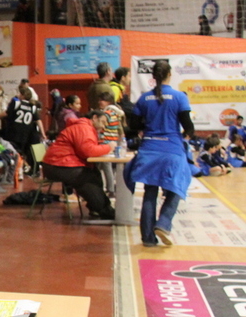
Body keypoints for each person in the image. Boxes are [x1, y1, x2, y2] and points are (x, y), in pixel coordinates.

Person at [124, 60, 195, 247]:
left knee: (150, 193)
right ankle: (163, 223)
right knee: (176, 188)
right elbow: (189, 127)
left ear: (153, 77)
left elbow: (133, 125)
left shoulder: (144, 98)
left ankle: (147, 238)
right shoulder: (179, 97)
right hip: (172, 150)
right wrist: (184, 134)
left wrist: (146, 128)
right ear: (169, 74)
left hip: (149, 150)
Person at [41, 111, 115, 219]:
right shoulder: (83, 128)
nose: (103, 127)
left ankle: (97, 208)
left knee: (94, 173)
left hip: (58, 164)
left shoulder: (84, 127)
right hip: (57, 166)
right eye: (102, 122)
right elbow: (88, 151)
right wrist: (109, 147)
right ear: (94, 118)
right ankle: (104, 210)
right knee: (87, 178)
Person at [3, 91, 44, 172]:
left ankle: (21, 168)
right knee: (31, 153)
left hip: (14, 133)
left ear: (22, 95)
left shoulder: (16, 103)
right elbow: (39, 121)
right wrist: (43, 133)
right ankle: (35, 168)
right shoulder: (33, 107)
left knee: (16, 152)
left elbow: (6, 113)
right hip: (27, 134)